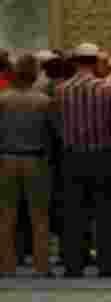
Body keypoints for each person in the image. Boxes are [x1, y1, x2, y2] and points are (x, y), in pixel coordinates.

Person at [55, 42, 111, 278]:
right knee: (103, 213)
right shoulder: (105, 88)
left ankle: (73, 264)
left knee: (73, 212)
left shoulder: (61, 89)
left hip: (72, 155)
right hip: (100, 155)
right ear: (94, 62)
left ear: (75, 61)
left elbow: (56, 123)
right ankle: (106, 265)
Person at [0, 54, 59, 277]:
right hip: (36, 160)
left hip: (6, 159)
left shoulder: (3, 100)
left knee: (6, 215)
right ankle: (42, 265)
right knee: (39, 216)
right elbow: (53, 133)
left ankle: (6, 265)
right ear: (34, 75)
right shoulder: (44, 101)